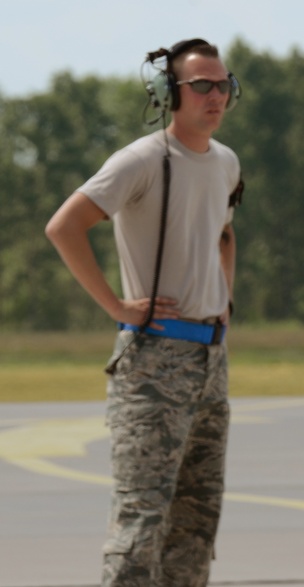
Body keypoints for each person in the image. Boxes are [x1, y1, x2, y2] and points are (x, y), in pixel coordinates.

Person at [45, 38, 243, 587]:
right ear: (166, 93)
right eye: (200, 85)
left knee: (197, 521)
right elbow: (64, 226)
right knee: (142, 520)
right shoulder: (143, 159)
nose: (215, 95)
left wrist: (224, 301)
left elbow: (224, 234)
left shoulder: (225, 162)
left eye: (223, 84)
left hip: (210, 360)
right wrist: (116, 305)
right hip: (154, 362)